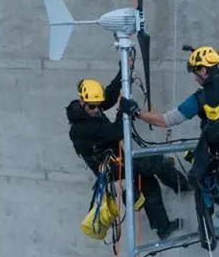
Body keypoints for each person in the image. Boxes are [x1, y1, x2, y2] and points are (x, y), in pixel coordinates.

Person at [119, 45, 219, 248]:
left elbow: (166, 120)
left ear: (204, 70)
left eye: (196, 73)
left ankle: (208, 236)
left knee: (199, 178)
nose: (195, 78)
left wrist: (135, 111)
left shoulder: (200, 99)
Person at [66, 76, 190, 240]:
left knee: (148, 181)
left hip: (117, 159)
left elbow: (109, 95)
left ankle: (163, 227)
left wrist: (123, 72)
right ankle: (182, 185)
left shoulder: (89, 110)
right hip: (109, 167)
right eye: (92, 106)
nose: (97, 109)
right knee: (155, 161)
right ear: (82, 102)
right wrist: (123, 112)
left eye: (98, 105)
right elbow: (117, 132)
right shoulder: (80, 128)